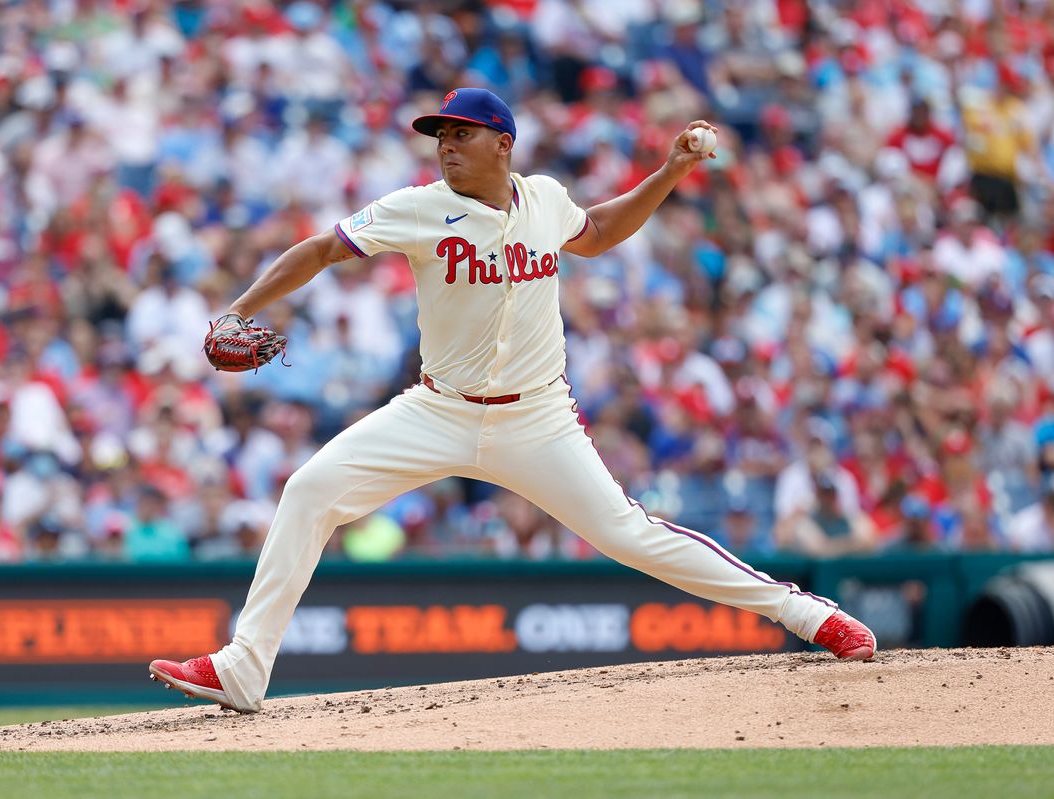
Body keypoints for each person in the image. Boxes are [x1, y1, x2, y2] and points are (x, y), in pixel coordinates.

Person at [149, 88, 876, 712]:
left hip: (537, 417)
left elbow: (600, 232)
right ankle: (244, 669)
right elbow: (319, 250)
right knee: (309, 490)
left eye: (460, 135)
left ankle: (807, 612)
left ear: (503, 143)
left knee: (629, 533)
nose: (445, 148)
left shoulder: (546, 200)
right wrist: (234, 311)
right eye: (440, 137)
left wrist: (668, 172)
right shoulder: (417, 208)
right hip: (437, 410)